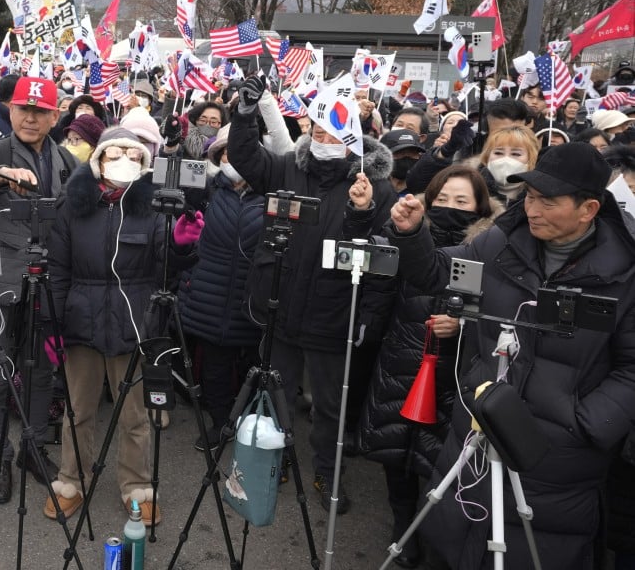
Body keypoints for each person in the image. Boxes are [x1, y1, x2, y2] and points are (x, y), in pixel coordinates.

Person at [386, 142, 635, 570]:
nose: (533, 210)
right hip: (477, 430)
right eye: (531, 197)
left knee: (531, 552)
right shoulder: (501, 241)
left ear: (589, 208)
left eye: (548, 202)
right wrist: (412, 234)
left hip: (559, 456)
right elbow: (439, 274)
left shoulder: (624, 272)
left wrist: (586, 423)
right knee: (455, 540)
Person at [226, 75, 397, 513]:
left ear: (354, 138)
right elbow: (246, 157)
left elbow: (380, 259)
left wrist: (363, 212)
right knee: (275, 391)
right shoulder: (287, 167)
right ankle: (276, 457)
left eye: (335, 134)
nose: (325, 140)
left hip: (333, 314)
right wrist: (245, 115)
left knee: (329, 406)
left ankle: (327, 470)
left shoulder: (374, 186)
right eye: (319, 131)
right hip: (280, 307)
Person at [46, 127, 201, 525]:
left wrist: (182, 244)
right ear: (98, 158)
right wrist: (53, 323)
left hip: (134, 321)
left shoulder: (151, 207)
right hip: (81, 317)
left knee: (135, 414)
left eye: (133, 155)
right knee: (78, 409)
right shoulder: (72, 206)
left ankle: (137, 485)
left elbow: (167, 266)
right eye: (115, 152)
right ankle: (71, 479)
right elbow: (59, 268)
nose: (123, 160)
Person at [359, 166, 500, 568]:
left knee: (442, 455)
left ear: (480, 206)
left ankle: (435, 529)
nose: (450, 207)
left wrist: (464, 324)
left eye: (462, 201)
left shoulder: (493, 250)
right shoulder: (404, 236)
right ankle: (402, 528)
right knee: (397, 447)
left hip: (456, 371)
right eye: (443, 199)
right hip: (404, 355)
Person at [0, 76, 78, 504]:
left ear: (55, 116)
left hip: (48, 280)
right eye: (23, 109)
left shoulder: (67, 161)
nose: (30, 117)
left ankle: (32, 450)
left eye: (40, 111)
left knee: (41, 373)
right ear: (10, 110)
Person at [177, 123, 263, 451]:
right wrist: (172, 149)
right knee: (213, 369)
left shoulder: (271, 192)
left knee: (253, 369)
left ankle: (251, 423)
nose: (234, 158)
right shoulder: (207, 187)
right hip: (210, 297)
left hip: (250, 299)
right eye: (227, 152)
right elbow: (174, 182)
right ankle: (220, 422)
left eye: (242, 151)